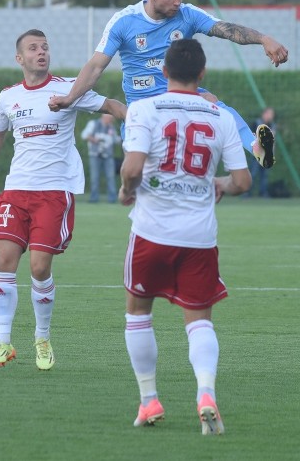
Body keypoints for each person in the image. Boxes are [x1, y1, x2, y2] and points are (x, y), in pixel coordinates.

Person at [0, 29, 126, 371]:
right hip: (15, 190)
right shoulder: (8, 96)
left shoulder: (70, 88)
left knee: (40, 267)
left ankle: (42, 337)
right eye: (33, 48)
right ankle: (4, 342)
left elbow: (111, 105)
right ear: (19, 58)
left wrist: (145, 122)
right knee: (4, 262)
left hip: (54, 192)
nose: (41, 52)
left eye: (45, 47)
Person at [118, 39, 252, 435]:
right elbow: (242, 181)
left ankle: (149, 401)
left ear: (163, 72)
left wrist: (127, 190)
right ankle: (206, 392)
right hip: (199, 237)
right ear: (203, 74)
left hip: (151, 231)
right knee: (199, 322)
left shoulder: (144, 109)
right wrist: (220, 185)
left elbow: (132, 169)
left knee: (138, 313)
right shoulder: (219, 115)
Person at [48, 0, 286, 170]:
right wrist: (70, 98)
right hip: (143, 108)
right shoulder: (124, 21)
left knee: (213, 104)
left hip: (180, 96)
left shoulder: (188, 14)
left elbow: (226, 29)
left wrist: (264, 39)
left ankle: (255, 146)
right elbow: (96, 66)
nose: (177, 2)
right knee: (139, 177)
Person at [81, 113, 121, 203]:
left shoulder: (111, 127)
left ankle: (112, 199)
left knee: (110, 177)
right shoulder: (93, 124)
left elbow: (116, 140)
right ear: (104, 117)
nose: (111, 121)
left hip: (108, 156)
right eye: (110, 119)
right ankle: (94, 198)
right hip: (95, 155)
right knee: (95, 177)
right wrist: (93, 139)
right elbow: (84, 135)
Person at [247, 106, 276, 198]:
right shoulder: (256, 124)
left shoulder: (272, 126)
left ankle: (263, 193)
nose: (271, 116)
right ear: (264, 114)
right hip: (256, 154)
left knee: (264, 175)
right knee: (253, 173)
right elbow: (250, 138)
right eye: (270, 114)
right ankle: (247, 193)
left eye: (272, 114)